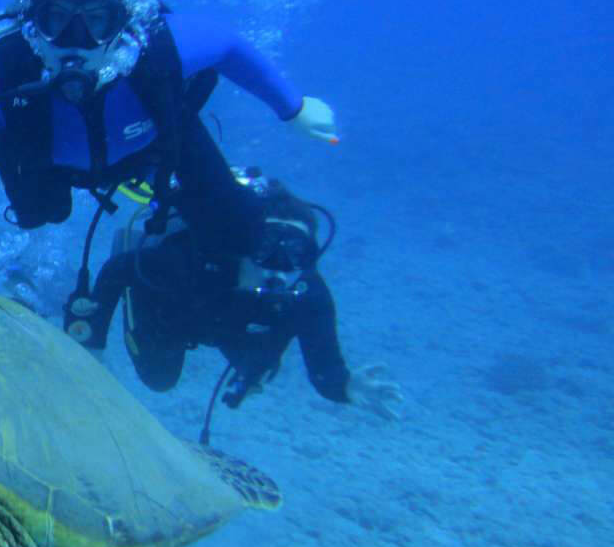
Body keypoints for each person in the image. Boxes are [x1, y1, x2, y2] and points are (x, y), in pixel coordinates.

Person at [0, 0, 338, 292]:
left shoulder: (160, 48)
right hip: (49, 161)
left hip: (155, 146)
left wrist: (292, 107)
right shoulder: (5, 78)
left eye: (96, 19)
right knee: (42, 215)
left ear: (124, 22)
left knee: (237, 234)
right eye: (56, 18)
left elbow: (229, 45)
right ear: (31, 23)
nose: (75, 38)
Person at [69, 171, 403, 439]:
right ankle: (135, 245)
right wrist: (93, 342)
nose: (277, 271)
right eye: (269, 252)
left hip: (235, 330)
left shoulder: (308, 296)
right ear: (248, 245)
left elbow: (325, 371)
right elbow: (118, 269)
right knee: (158, 380)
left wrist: (347, 386)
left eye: (295, 257)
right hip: (175, 309)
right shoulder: (194, 259)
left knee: (260, 367)